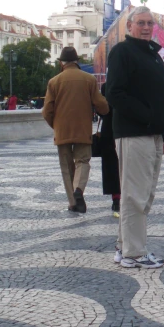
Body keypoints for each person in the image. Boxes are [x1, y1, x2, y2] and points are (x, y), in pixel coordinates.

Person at [105, 5, 164, 269]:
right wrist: (146, 117)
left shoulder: (153, 54)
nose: (146, 28)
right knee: (135, 194)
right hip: (134, 132)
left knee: (144, 193)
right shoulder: (122, 51)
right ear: (129, 26)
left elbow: (158, 96)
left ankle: (125, 248)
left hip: (152, 132)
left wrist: (162, 132)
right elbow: (114, 93)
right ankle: (135, 252)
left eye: (150, 23)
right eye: (141, 23)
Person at [42, 46, 109, 213]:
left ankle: (73, 203)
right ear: (77, 61)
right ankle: (79, 190)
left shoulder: (54, 81)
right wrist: (106, 111)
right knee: (83, 161)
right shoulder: (89, 79)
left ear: (61, 63)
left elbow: (47, 111)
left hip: (62, 131)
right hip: (82, 129)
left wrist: (56, 125)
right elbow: (101, 105)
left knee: (66, 166)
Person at [98, 83, 121, 218]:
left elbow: (101, 109)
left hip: (108, 130)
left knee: (111, 167)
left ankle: (116, 199)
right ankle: (127, 198)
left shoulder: (106, 86)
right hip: (125, 129)